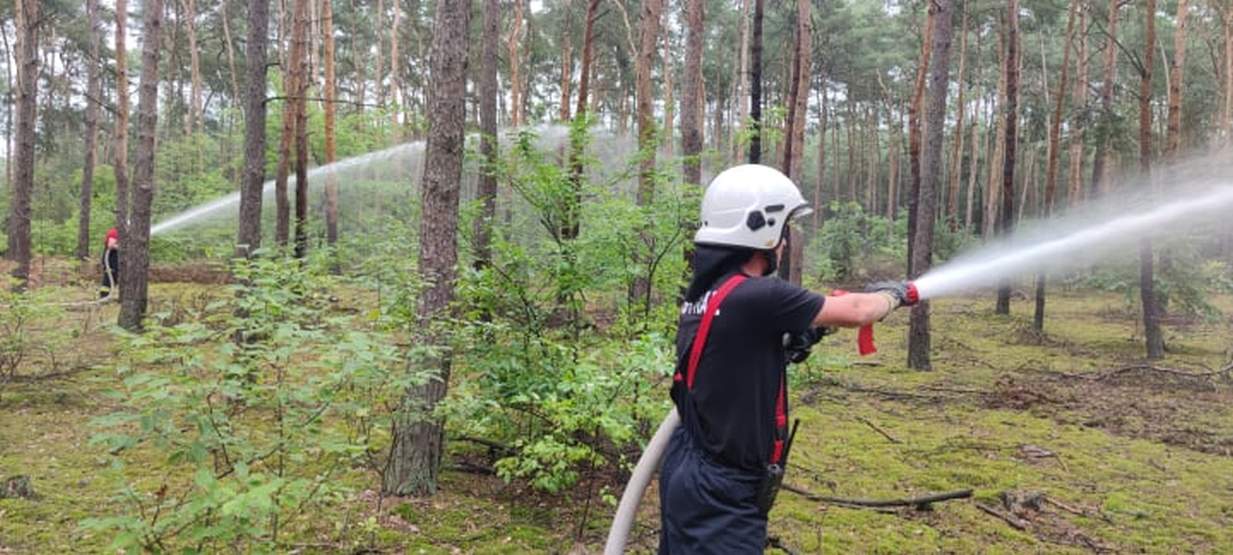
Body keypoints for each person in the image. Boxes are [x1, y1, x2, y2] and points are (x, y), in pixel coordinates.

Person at [659, 165, 915, 554]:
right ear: (760, 228)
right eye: (782, 231)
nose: (783, 244)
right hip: (721, 488)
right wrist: (896, 294)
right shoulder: (759, 296)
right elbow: (859, 310)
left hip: (692, 470)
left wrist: (790, 339)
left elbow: (728, 359)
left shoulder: (708, 295)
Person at [99, 227, 120, 299]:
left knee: (114, 278)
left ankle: (108, 296)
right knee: (108, 279)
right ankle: (104, 296)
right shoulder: (114, 232)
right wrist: (123, 248)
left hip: (115, 260)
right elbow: (110, 245)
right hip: (110, 260)